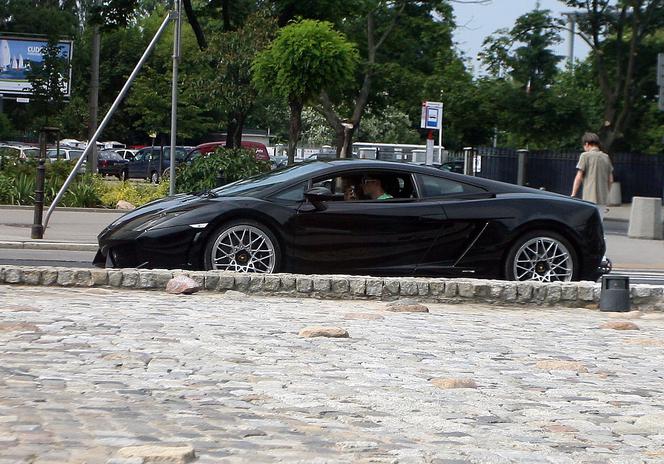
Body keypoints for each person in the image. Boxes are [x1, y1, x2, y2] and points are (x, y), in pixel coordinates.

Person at [571, 132, 613, 208]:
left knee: (588, 219)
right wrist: (606, 193)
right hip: (603, 199)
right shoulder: (606, 157)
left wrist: (573, 194)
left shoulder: (585, 156)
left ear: (586, 144)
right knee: (599, 219)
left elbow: (579, 177)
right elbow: (610, 180)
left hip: (589, 198)